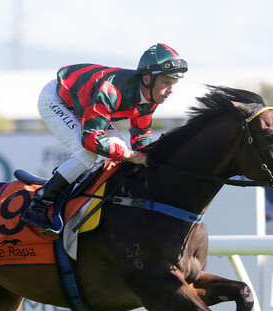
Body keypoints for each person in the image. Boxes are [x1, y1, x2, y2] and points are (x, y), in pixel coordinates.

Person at [20, 43, 188, 237]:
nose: (171, 90)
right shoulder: (111, 89)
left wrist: (150, 158)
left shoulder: (151, 97)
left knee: (119, 150)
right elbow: (91, 140)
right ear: (147, 79)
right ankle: (38, 206)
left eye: (174, 84)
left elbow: (140, 135)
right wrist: (130, 155)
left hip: (84, 104)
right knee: (88, 153)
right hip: (58, 99)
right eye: (166, 82)